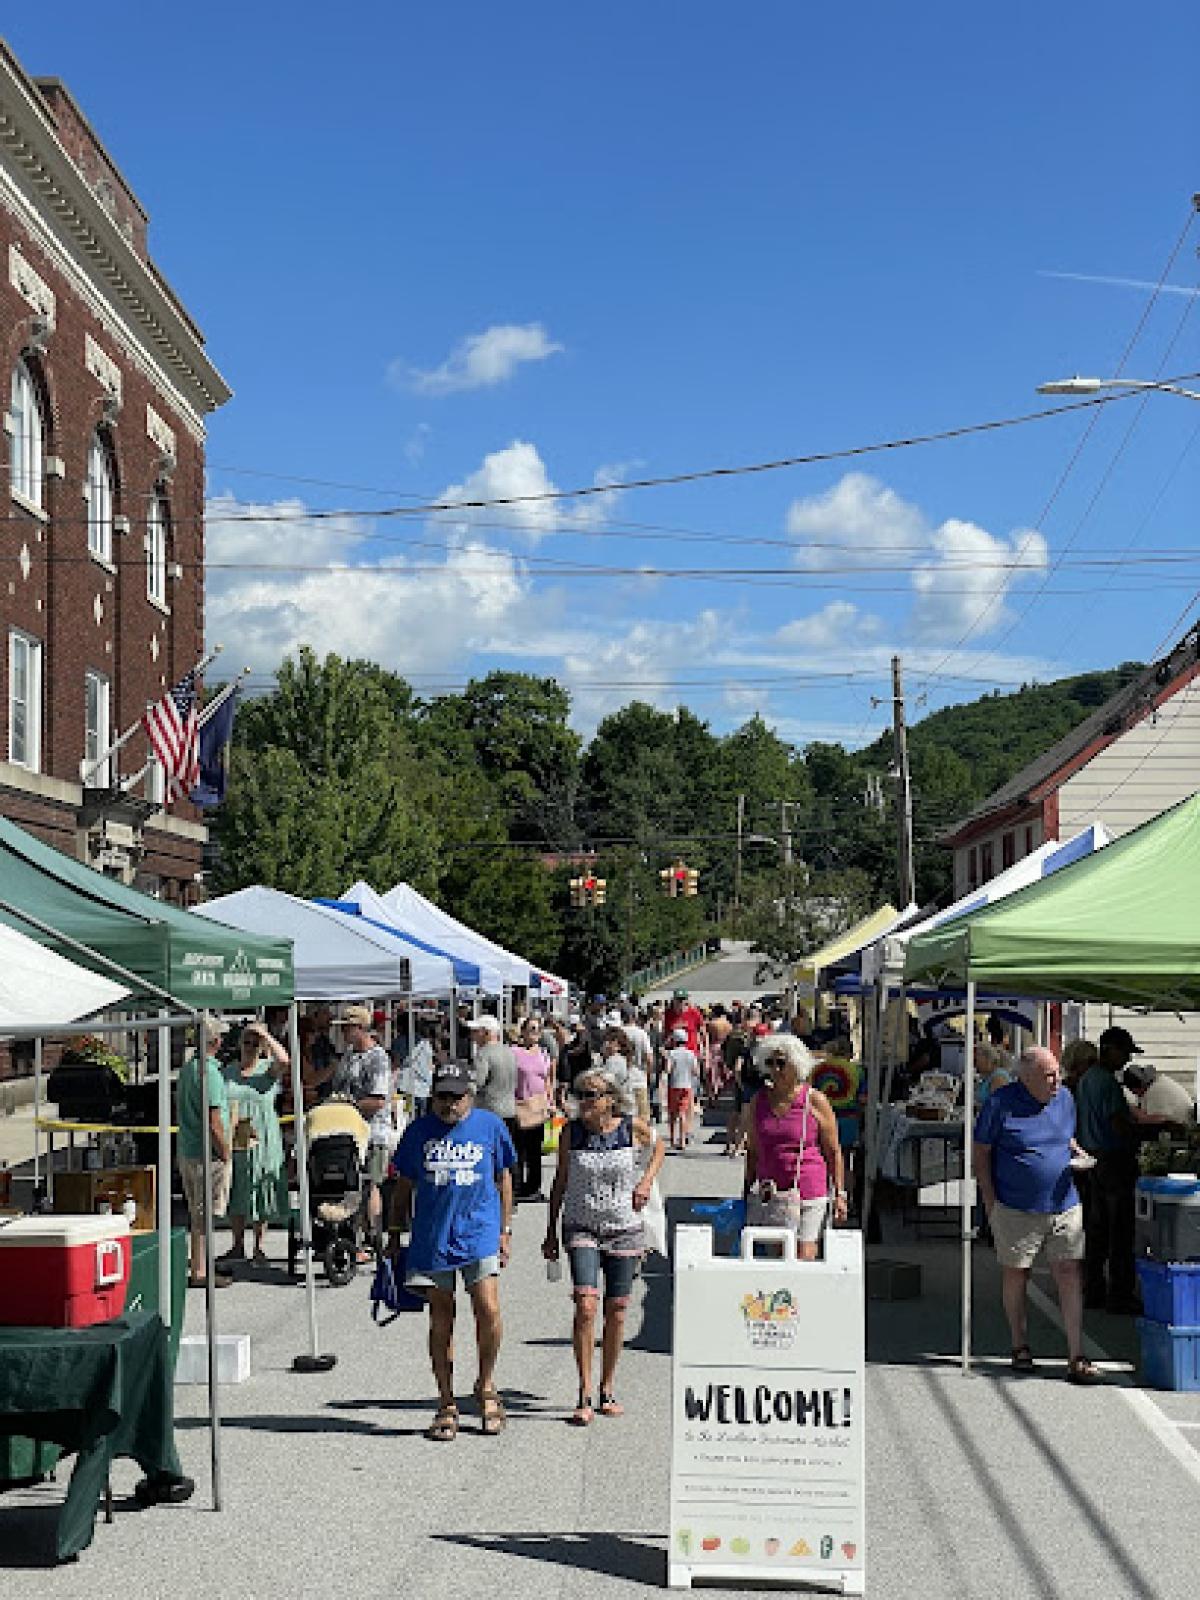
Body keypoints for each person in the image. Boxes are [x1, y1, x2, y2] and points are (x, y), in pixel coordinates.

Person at [388, 1063, 516, 1441]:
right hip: (432, 1237)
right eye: (441, 1096)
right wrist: (394, 1234)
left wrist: (505, 1229)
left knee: (488, 1308)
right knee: (442, 1317)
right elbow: (404, 1185)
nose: (449, 1105)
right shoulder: (419, 1131)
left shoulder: (489, 1125)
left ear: (469, 1096)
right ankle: (446, 1402)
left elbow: (503, 1176)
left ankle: (486, 1385)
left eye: (456, 1097)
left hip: (479, 1232)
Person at [543, 1064, 665, 1425]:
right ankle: (583, 1390)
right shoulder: (571, 1132)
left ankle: (607, 1387)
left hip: (624, 1227)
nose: (583, 1102)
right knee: (585, 1305)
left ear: (610, 1099)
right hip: (581, 1225)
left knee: (618, 1310)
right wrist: (550, 1230)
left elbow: (659, 1147)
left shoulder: (630, 1127)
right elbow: (561, 1180)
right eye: (580, 1095)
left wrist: (645, 1182)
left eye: (591, 1095)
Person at [974, 1046, 1100, 1381]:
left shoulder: (1066, 1099)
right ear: (1025, 1077)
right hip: (1016, 1205)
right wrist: (989, 1201)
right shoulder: (1001, 1103)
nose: (1056, 1080)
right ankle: (1020, 1344)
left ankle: (1077, 1354)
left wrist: (1076, 1151)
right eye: (1048, 1075)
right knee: (1018, 1273)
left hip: (1064, 1201)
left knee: (1069, 1270)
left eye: (1057, 1072)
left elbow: (1065, 1135)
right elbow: (982, 1152)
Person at [1075, 1026, 1166, 1313]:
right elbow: (1119, 1124)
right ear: (1109, 1049)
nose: (1126, 1059)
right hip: (1113, 1160)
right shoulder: (1107, 1084)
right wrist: (1149, 1132)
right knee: (1120, 1231)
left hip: (1092, 1159)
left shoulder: (1087, 1079)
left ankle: (1093, 1289)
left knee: (1097, 1231)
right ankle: (1119, 1293)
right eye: (1124, 1052)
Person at [742, 1035, 846, 1260]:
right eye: (770, 1063)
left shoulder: (814, 1100)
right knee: (780, 1256)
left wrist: (840, 1193)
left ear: (796, 1064)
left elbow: (833, 1150)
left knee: (804, 1255)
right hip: (773, 1191)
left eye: (781, 1063)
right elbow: (753, 1150)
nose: (775, 1069)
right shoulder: (757, 1102)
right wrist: (746, 1189)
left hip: (809, 1188)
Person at [219, 1020, 291, 1268]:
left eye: (254, 1043)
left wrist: (266, 1035)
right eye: (246, 1042)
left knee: (260, 1189)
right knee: (237, 1188)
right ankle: (237, 1244)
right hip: (236, 1137)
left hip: (263, 1137)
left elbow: (284, 1061)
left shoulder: (267, 1069)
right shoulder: (227, 1071)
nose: (250, 1047)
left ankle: (259, 1247)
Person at [177, 1014, 233, 1289]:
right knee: (205, 1214)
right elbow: (213, 1122)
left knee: (196, 1212)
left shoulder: (188, 1069)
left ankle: (199, 1263)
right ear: (216, 1041)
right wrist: (226, 1152)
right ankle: (200, 1269)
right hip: (205, 1153)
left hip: (188, 1149)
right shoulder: (209, 1073)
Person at [333, 1004, 395, 1237]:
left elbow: (378, 1100)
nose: (342, 1034)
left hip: (373, 1131)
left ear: (360, 1028)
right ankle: (349, 1233)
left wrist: (349, 1107)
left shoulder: (378, 1058)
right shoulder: (349, 1056)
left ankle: (372, 1236)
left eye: (346, 1029)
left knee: (370, 1184)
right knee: (349, 1184)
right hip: (347, 1131)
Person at [512, 1016, 556, 1200]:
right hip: (520, 1105)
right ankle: (516, 1187)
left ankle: (533, 1188)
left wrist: (551, 1101)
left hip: (539, 1107)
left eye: (538, 1029)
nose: (535, 1033)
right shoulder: (514, 1052)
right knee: (518, 1150)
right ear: (522, 1032)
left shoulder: (543, 1054)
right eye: (531, 1029)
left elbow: (548, 1080)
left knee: (535, 1151)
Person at [467, 1015, 518, 1139]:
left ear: (486, 1033)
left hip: (489, 1111)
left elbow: (476, 1083)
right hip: (510, 1110)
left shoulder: (483, 1054)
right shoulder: (509, 1051)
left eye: (476, 1031)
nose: (472, 1035)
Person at [1124, 1060, 1196, 1126]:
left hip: (1180, 1128)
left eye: (1132, 1090)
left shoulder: (1155, 1091)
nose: (1133, 1093)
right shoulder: (1158, 1082)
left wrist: (1131, 1109)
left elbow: (1154, 1120)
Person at [665, 1026, 700, 1150]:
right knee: (682, 1113)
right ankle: (683, 1140)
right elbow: (696, 1071)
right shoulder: (691, 1054)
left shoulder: (672, 1054)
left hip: (674, 1085)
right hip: (687, 1085)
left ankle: (673, 1139)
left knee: (672, 1114)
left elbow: (668, 1070)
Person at [665, 988, 704, 1053]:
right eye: (679, 1000)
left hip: (692, 1052)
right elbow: (666, 1033)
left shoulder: (694, 1013)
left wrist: (703, 1048)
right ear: (674, 1000)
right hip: (674, 1054)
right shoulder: (668, 1014)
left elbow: (703, 1031)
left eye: (684, 999)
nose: (681, 1002)